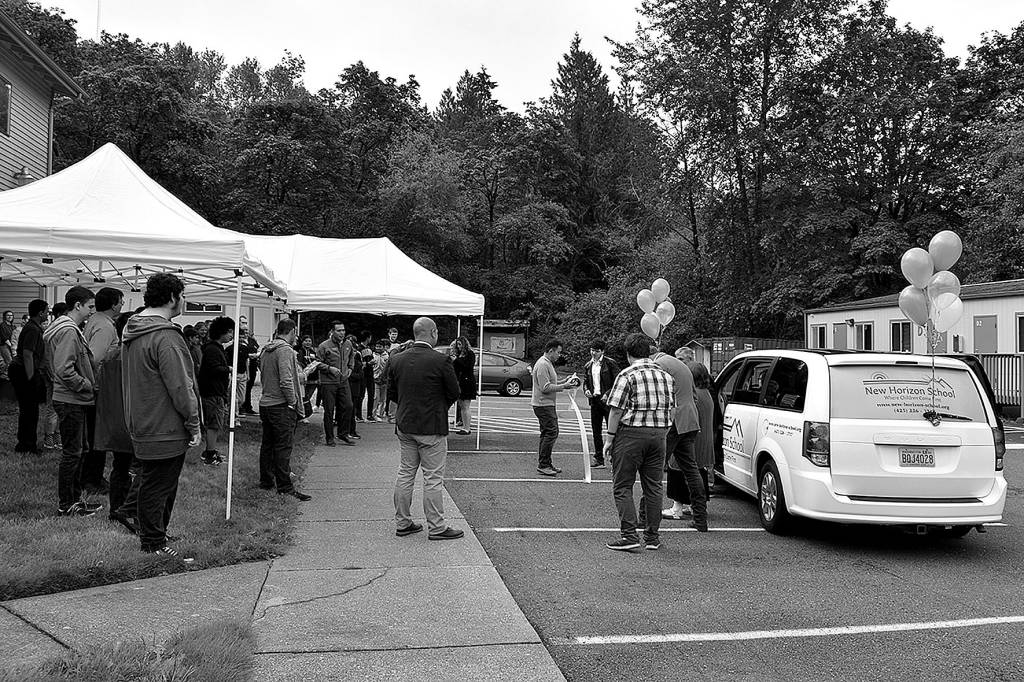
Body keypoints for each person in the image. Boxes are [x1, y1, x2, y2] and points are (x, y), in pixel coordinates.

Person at [121, 273, 201, 557]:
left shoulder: (134, 330)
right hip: (164, 424)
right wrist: (193, 423)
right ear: (172, 298)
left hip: (142, 419)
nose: (184, 300)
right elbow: (181, 385)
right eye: (183, 295)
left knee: (157, 482)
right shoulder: (166, 336)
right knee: (158, 486)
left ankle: (157, 534)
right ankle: (153, 543)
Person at [388, 316, 463, 540]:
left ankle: (402, 522)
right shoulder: (441, 360)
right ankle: (437, 527)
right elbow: (454, 392)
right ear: (433, 333)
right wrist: (439, 406)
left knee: (405, 473)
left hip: (406, 424)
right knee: (432, 478)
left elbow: (392, 393)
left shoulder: (397, 359)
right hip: (431, 426)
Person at [603, 333, 676, 551]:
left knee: (623, 485)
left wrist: (609, 438)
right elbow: (672, 409)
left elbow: (616, 410)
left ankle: (629, 536)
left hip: (631, 434)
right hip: (659, 435)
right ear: (649, 351)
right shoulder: (665, 376)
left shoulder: (627, 375)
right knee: (653, 487)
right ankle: (652, 538)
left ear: (628, 354)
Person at [45, 285, 99, 517]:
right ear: (78, 305)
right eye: (90, 307)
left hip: (72, 398)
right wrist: (87, 385)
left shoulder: (64, 328)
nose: (92, 312)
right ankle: (67, 503)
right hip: (70, 399)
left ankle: (75, 499)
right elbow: (64, 369)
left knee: (80, 450)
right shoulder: (68, 331)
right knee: (72, 453)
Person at [652, 345, 707, 532]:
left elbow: (660, 396)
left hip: (675, 421)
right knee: (691, 469)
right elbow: (694, 396)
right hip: (690, 420)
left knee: (654, 469)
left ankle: (646, 518)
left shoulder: (658, 364)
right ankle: (700, 518)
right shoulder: (681, 365)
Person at [258, 318, 312, 500]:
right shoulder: (285, 351)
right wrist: (292, 402)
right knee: (283, 447)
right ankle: (285, 486)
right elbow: (286, 379)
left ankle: (266, 481)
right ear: (292, 331)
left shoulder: (266, 349)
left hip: (266, 403)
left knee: (268, 445)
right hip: (280, 405)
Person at [94, 311, 135, 529]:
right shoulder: (132, 356)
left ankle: (116, 508)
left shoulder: (110, 354)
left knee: (120, 466)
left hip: (114, 419)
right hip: (132, 418)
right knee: (136, 468)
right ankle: (129, 509)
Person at [82, 286, 124, 495]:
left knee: (93, 434)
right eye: (121, 301)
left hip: (95, 387)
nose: (123, 305)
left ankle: (91, 476)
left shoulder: (96, 320)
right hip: (98, 388)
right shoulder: (105, 327)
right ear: (113, 304)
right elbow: (95, 358)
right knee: (97, 435)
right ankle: (92, 479)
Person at [531, 338, 580, 477]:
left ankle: (546, 462)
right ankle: (543, 464)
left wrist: (565, 381)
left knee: (548, 433)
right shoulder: (542, 365)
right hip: (543, 404)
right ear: (551, 351)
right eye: (558, 352)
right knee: (551, 433)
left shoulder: (547, 363)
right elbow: (545, 387)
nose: (559, 355)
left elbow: (551, 382)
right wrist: (564, 387)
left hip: (547, 404)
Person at [10, 299, 49, 454]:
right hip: (23, 370)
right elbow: (27, 354)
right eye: (47, 311)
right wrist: (31, 378)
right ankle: (27, 445)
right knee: (29, 410)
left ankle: (25, 443)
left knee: (28, 410)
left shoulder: (34, 327)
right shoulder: (33, 329)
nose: (48, 314)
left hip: (23, 369)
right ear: (40, 313)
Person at [198, 316, 235, 466]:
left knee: (216, 423)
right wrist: (228, 369)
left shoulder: (217, 348)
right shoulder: (212, 349)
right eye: (230, 332)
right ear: (222, 332)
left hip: (217, 391)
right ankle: (209, 454)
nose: (232, 335)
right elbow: (213, 369)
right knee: (213, 424)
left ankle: (211, 451)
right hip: (212, 393)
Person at [582, 339, 620, 468]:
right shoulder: (588, 365)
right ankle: (599, 457)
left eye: (597, 351)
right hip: (595, 400)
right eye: (592, 350)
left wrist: (608, 393)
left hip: (608, 402)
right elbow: (586, 381)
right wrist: (586, 390)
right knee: (596, 430)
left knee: (612, 429)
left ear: (602, 351)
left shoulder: (610, 364)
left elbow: (617, 382)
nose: (594, 353)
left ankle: (614, 456)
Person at [316, 321, 356, 447]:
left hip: (343, 381)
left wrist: (350, 368)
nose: (342, 333)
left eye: (343, 330)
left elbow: (351, 356)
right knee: (329, 410)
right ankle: (329, 437)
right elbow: (317, 363)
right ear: (332, 332)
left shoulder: (348, 344)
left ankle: (343, 433)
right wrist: (329, 368)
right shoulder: (324, 346)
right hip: (328, 382)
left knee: (348, 406)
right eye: (339, 330)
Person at [687, 360, 717, 495]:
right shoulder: (706, 393)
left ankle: (691, 505)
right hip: (705, 438)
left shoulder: (695, 395)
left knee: (691, 475)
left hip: (695, 440)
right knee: (700, 473)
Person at [451, 336, 477, 435]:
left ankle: (467, 428)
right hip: (460, 381)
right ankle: (464, 426)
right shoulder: (458, 355)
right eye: (457, 344)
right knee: (461, 405)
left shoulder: (470, 354)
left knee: (466, 405)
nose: (459, 346)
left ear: (465, 344)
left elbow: (468, 367)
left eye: (460, 344)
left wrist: (456, 360)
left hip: (467, 382)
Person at [295, 334, 318, 418]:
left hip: (313, 378)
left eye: (309, 341)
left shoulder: (313, 352)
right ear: (302, 342)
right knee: (303, 397)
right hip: (302, 378)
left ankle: (304, 414)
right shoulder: (298, 351)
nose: (308, 343)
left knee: (308, 396)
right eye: (306, 341)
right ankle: (302, 414)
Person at [347, 333, 365, 436]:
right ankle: (345, 431)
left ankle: (352, 431)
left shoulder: (357, 363)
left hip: (355, 390)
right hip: (346, 389)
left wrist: (350, 374)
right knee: (346, 411)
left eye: (354, 350)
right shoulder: (345, 362)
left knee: (352, 411)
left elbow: (360, 376)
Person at [241, 324, 261, 415]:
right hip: (243, 366)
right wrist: (248, 355)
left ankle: (248, 406)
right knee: (243, 387)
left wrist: (256, 355)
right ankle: (242, 406)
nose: (245, 333)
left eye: (246, 331)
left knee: (249, 387)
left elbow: (257, 349)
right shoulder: (239, 341)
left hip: (252, 366)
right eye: (243, 331)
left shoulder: (252, 340)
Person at [371, 340, 388, 421]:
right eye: (377, 346)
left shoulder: (387, 356)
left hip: (384, 380)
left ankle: (380, 414)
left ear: (383, 347)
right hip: (375, 379)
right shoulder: (373, 355)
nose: (378, 348)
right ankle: (373, 414)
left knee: (383, 398)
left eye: (380, 347)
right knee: (376, 397)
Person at [360, 332, 375, 421]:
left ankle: (370, 415)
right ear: (368, 337)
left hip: (370, 374)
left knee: (371, 394)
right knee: (361, 395)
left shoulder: (369, 348)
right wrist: (368, 363)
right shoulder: (359, 349)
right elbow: (359, 363)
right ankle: (358, 415)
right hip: (363, 375)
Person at [0, 309, 15, 378]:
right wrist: (11, 346)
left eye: (11, 315)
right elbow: (4, 337)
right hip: (4, 345)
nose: (10, 316)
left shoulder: (12, 326)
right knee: (9, 360)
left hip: (11, 345)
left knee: (7, 362)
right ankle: (7, 376)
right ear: (4, 316)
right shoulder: (2, 325)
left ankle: (3, 374)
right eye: (8, 315)